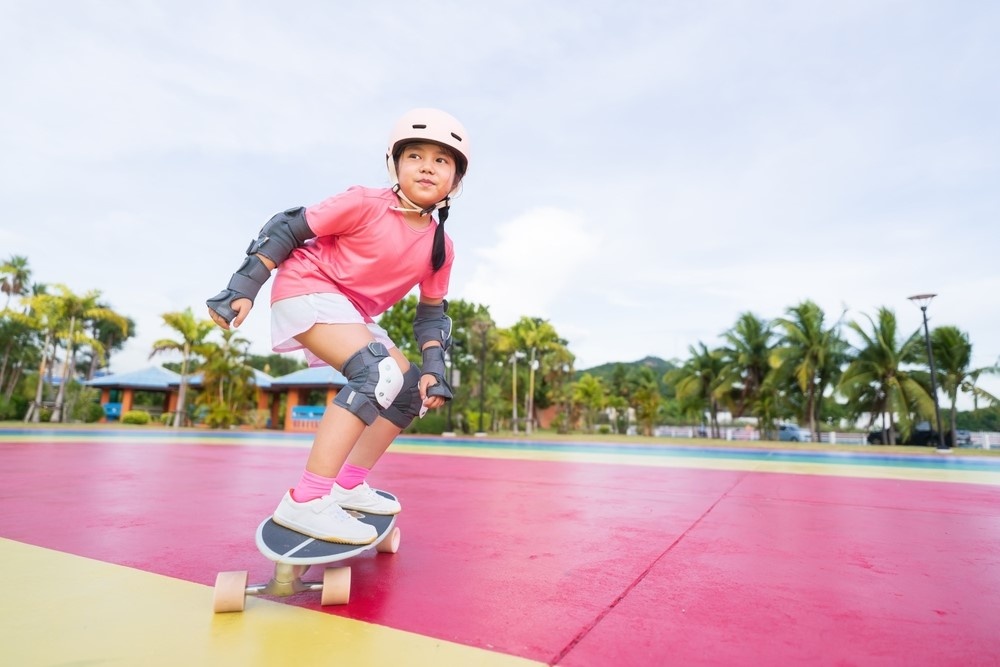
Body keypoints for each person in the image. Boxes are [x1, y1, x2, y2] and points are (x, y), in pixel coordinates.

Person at [206, 108, 470, 545]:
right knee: (376, 372)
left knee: (406, 391)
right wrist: (244, 285)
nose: (427, 166)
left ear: (455, 181)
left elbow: (432, 314)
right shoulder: (364, 203)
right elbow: (289, 226)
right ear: (395, 165)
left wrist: (432, 369)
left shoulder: (441, 247)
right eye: (416, 156)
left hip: (349, 310)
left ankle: (348, 484)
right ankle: (307, 500)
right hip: (305, 288)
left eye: (442, 161)